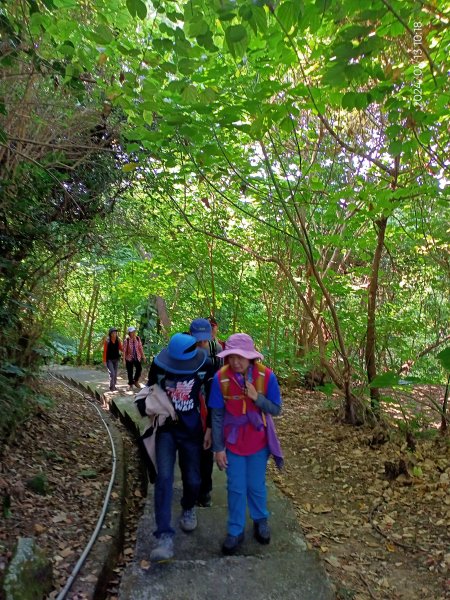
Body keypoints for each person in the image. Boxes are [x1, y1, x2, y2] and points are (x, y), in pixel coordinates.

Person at [208, 333, 283, 555]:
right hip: (232, 443)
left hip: (258, 441)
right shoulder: (220, 378)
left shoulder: (266, 377)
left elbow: (276, 409)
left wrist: (256, 397)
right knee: (236, 487)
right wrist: (218, 448)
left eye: (241, 356)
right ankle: (235, 530)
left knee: (256, 485)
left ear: (251, 357)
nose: (236, 361)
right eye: (231, 356)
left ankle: (260, 520)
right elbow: (217, 415)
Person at [143, 333, 209, 561]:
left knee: (193, 480)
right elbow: (149, 389)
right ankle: (164, 537)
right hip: (166, 430)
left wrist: (209, 428)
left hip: (192, 432)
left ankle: (188, 507)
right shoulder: (160, 365)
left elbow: (211, 397)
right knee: (164, 478)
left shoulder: (204, 364)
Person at [188, 318, 216, 507]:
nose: (201, 345)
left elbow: (217, 396)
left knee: (206, 458)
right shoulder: (182, 358)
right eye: (197, 342)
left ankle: (205, 492)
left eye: (203, 342)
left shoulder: (215, 358)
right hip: (188, 418)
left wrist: (213, 426)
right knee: (190, 458)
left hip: (207, 418)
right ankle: (192, 492)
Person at [123, 326, 145, 391]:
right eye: (132, 332)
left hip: (137, 357)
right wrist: (124, 360)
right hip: (129, 358)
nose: (133, 333)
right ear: (129, 333)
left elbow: (140, 348)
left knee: (139, 369)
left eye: (134, 332)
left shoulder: (138, 339)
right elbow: (124, 351)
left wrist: (143, 356)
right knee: (130, 371)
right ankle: (130, 384)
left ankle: (136, 381)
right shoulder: (126, 340)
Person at [103, 327, 123, 391]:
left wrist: (126, 349)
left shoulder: (118, 340)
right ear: (110, 334)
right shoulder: (107, 341)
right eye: (113, 333)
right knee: (112, 373)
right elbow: (105, 351)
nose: (115, 334)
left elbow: (121, 348)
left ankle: (112, 385)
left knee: (115, 374)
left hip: (116, 359)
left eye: (115, 333)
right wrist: (104, 361)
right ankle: (112, 387)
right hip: (109, 360)